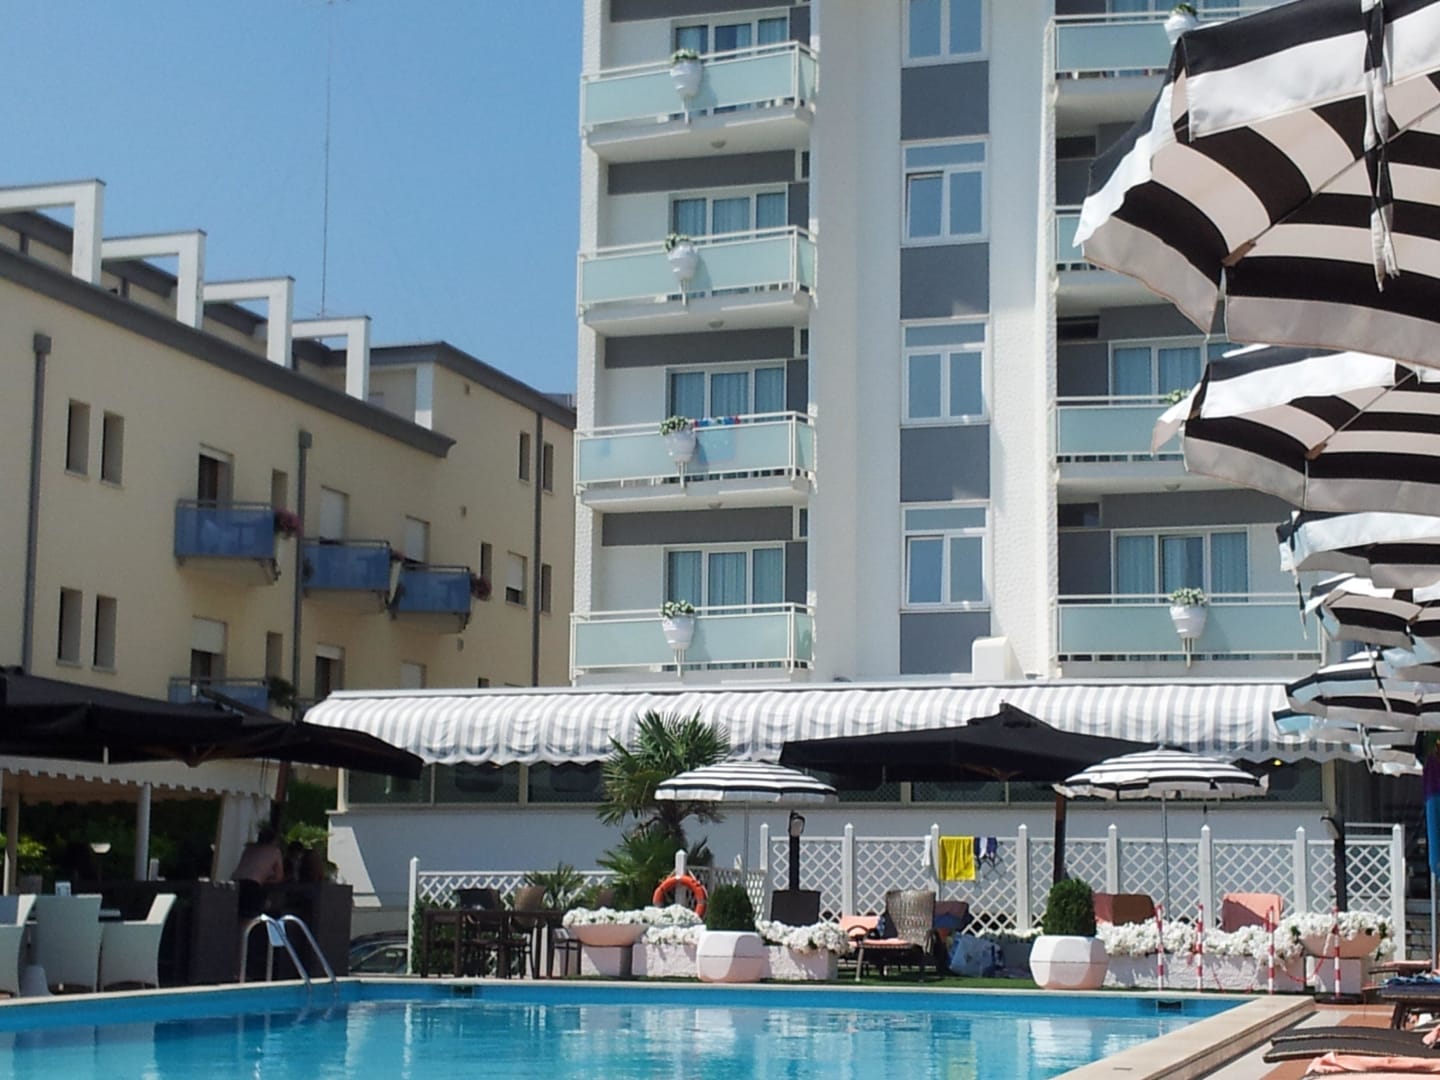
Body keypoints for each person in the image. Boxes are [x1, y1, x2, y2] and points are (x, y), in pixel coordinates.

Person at [231, 827, 284, 919]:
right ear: (274, 840)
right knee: (250, 916)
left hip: (235, 881)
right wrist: (266, 879)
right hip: (252, 884)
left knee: (235, 914)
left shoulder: (249, 848)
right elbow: (279, 877)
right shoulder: (274, 851)